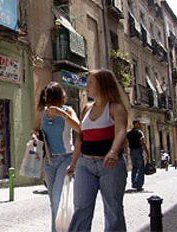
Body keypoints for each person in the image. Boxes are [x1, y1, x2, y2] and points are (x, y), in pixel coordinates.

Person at [68, 69, 128, 232]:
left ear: (102, 84)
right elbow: (81, 138)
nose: (86, 86)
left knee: (113, 210)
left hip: (110, 166)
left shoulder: (116, 108)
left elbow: (121, 131)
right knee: (81, 208)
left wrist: (113, 152)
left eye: (90, 82)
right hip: (85, 164)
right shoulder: (86, 109)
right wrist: (73, 163)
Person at [32, 81, 80, 232]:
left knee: (57, 197)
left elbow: (79, 128)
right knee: (53, 200)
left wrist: (62, 114)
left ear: (59, 97)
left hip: (66, 158)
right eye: (48, 98)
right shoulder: (41, 112)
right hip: (49, 161)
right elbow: (35, 129)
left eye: (52, 98)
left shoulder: (68, 110)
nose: (50, 102)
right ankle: (61, 228)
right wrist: (34, 137)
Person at [127, 119, 149, 191]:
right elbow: (142, 142)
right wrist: (146, 151)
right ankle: (139, 185)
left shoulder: (129, 133)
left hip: (131, 151)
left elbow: (125, 142)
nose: (140, 125)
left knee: (134, 167)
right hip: (138, 151)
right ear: (135, 124)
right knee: (140, 168)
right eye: (139, 124)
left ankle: (134, 182)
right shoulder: (140, 133)